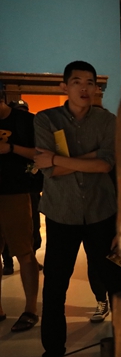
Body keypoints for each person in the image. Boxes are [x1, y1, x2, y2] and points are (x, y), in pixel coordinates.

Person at [32, 61, 121, 357]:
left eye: (90, 83)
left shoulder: (108, 121)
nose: (84, 88)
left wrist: (58, 158)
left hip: (103, 213)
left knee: (118, 285)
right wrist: (90, 157)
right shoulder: (46, 119)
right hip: (62, 214)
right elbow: (49, 171)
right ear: (64, 86)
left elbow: (106, 165)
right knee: (55, 287)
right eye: (77, 82)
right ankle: (52, 356)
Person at [0, 84, 40, 332]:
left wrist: (10, 148)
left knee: (24, 252)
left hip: (16, 193)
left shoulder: (25, 121)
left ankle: (31, 309)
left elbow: (42, 153)